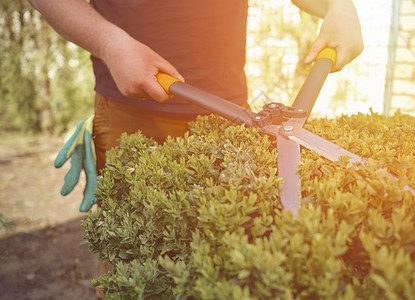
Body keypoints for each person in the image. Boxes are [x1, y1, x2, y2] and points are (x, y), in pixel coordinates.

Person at [28, 0, 363, 297]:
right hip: (131, 113)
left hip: (234, 119)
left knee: (229, 270)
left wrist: (339, 6)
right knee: (131, 277)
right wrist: (110, 42)